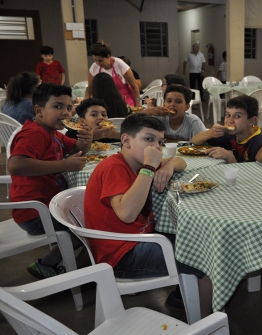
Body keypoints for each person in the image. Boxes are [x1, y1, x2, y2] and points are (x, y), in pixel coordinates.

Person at [84, 113, 212, 316]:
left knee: (200, 239)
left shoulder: (136, 161)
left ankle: (183, 297)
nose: (156, 148)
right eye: (148, 139)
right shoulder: (114, 167)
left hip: (139, 241)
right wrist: (149, 168)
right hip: (121, 256)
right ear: (126, 140)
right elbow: (127, 214)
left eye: (160, 142)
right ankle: (206, 323)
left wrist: (168, 165)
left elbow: (180, 161)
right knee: (204, 258)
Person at [8, 83, 92, 279]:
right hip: (35, 213)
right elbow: (16, 165)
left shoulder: (53, 133)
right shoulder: (34, 134)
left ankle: (63, 265)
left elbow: (76, 149)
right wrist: (64, 165)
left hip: (46, 207)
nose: (65, 112)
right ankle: (53, 265)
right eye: (57, 106)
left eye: (68, 107)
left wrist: (87, 138)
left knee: (89, 215)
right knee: (92, 222)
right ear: (39, 110)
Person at [190, 95, 262, 163]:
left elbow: (253, 175)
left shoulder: (261, 144)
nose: (230, 121)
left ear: (251, 120)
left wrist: (230, 158)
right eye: (228, 115)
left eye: (237, 116)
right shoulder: (231, 134)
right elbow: (194, 141)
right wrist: (209, 133)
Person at [138, 84, 206, 141]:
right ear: (164, 104)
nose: (172, 104)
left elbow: (204, 143)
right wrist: (150, 111)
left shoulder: (193, 121)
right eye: (169, 101)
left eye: (178, 102)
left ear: (187, 107)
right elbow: (132, 122)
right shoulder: (159, 118)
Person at [84, 40, 141, 108]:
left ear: (108, 56)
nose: (97, 63)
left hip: (124, 102)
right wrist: (85, 102)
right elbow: (90, 89)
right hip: (104, 104)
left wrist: (138, 105)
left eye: (100, 60)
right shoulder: (94, 67)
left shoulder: (120, 65)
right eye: (95, 60)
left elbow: (134, 87)